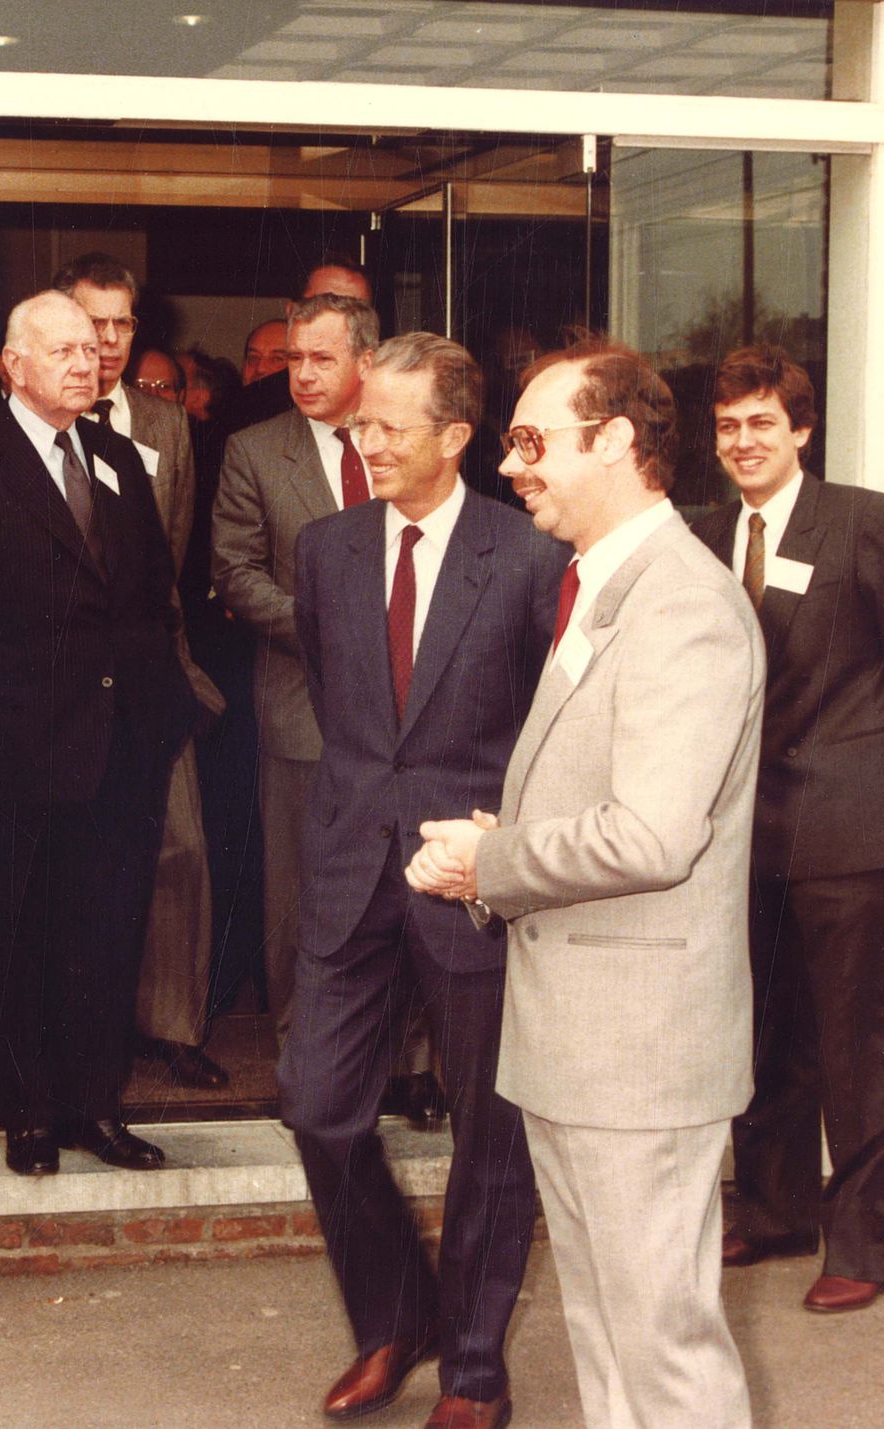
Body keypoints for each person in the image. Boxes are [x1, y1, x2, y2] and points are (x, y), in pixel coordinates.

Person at [408, 337, 765, 1428]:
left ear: (611, 441)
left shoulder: (678, 603)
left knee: (658, 1344)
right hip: (584, 1043)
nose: (509, 464)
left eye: (529, 440)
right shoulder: (605, 588)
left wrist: (493, 860)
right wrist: (505, 834)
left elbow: (654, 835)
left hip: (636, 1052)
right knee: (607, 1336)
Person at [282, 334, 561, 1428]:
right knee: (315, 1105)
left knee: (492, 1140)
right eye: (358, 424)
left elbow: (550, 725)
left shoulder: (530, 557)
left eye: (387, 426)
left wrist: (501, 849)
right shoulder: (324, 549)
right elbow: (344, 701)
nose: (365, 443)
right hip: (350, 866)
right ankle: (393, 1316)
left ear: (454, 437)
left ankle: (474, 1366)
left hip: (470, 884)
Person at [0, 292, 199, 1176]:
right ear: (14, 364)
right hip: (16, 748)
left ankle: (96, 1108)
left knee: (109, 935)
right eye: (65, 349)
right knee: (21, 934)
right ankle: (29, 1113)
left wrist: (162, 709)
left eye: (95, 347)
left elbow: (151, 594)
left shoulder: (115, 455)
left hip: (121, 745)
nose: (89, 360)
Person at [693, 345, 884, 1313]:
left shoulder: (860, 524)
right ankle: (770, 1209)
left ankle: (857, 1239)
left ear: (799, 429)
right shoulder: (705, 531)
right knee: (762, 1036)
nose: (742, 441)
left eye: (761, 422)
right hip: (741, 833)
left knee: (855, 1043)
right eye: (726, 426)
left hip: (843, 828)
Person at [54, 254, 229, 1092]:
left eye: (123, 324)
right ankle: (91, 1034)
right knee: (78, 861)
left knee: (181, 850)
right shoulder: (30, 423)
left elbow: (176, 556)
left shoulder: (167, 429)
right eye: (93, 325)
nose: (111, 342)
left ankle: (174, 1025)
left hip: (155, 670)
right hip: (64, 686)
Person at [211, 291, 378, 1042]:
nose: (301, 374)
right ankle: (302, 1047)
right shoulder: (255, 449)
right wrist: (325, 628)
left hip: (409, 707)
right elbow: (237, 573)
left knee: (399, 880)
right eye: (291, 360)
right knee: (299, 892)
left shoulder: (402, 439)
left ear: (365, 362)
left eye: (320, 358)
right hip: (300, 706)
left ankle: (404, 1057)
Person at [221, 256, 375, 435]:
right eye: (323, 304)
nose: (339, 317)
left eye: (355, 311)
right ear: (291, 312)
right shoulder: (249, 413)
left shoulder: (392, 399)